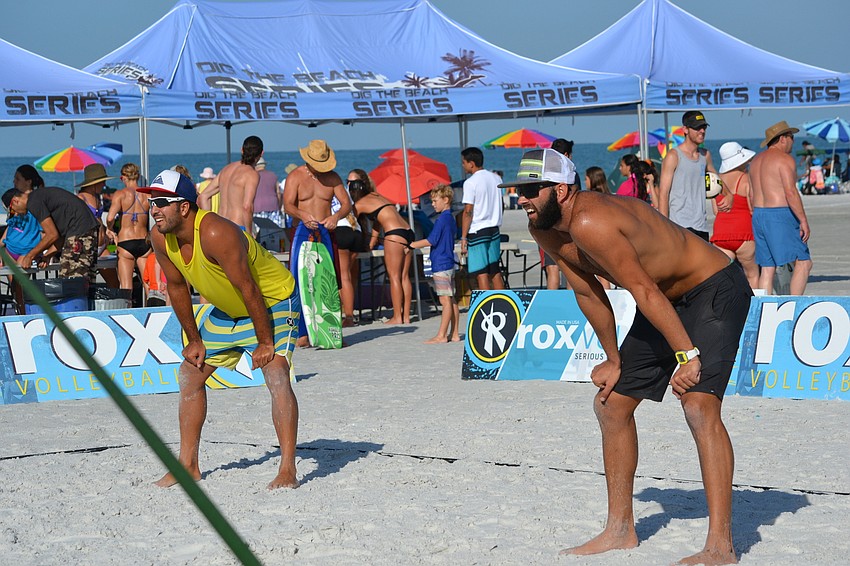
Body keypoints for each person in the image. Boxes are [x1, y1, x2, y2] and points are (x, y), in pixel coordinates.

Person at [503, 148, 751, 565]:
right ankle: (620, 530)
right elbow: (587, 292)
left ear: (561, 190)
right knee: (612, 405)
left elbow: (643, 291)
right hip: (664, 302)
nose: (522, 199)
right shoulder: (544, 228)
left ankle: (720, 547)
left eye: (531, 190)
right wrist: (613, 358)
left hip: (713, 289)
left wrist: (686, 354)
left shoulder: (590, 221)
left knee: (697, 406)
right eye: (518, 191)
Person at [140, 169, 301, 490]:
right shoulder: (160, 236)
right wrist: (194, 339)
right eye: (150, 203)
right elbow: (176, 287)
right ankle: (188, 466)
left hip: (273, 300)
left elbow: (249, 288)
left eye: (160, 202)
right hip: (230, 308)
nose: (153, 209)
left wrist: (265, 342)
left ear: (184, 207)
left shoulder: (215, 233)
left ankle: (287, 469)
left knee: (276, 372)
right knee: (190, 373)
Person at [284, 140, 352, 345]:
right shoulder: (295, 176)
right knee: (300, 281)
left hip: (326, 230)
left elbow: (346, 203)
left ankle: (331, 329)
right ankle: (302, 332)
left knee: (329, 280)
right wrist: (301, 214)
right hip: (302, 230)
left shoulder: (333, 178)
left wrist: (336, 216)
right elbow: (287, 205)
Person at [749, 121, 813, 295]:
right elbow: (790, 192)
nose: (793, 141)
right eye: (792, 137)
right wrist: (803, 220)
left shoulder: (755, 161)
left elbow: (751, 196)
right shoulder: (784, 159)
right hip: (779, 214)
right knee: (804, 262)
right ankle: (794, 307)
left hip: (759, 214)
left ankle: (765, 310)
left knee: (768, 267)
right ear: (783, 139)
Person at [349, 178, 413, 325]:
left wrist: (363, 241)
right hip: (408, 231)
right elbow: (379, 220)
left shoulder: (359, 204)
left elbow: (351, 224)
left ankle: (397, 316)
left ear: (353, 192)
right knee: (404, 277)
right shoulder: (377, 196)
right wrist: (372, 242)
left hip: (394, 234)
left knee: (394, 277)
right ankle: (406, 316)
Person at [659, 111, 729, 240]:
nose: (702, 131)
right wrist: (664, 227)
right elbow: (663, 193)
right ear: (685, 129)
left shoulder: (705, 155)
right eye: (697, 128)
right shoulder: (673, 156)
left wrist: (729, 195)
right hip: (679, 225)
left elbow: (716, 178)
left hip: (702, 226)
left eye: (704, 127)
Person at [13, 185, 100, 281]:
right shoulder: (41, 196)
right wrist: (47, 256)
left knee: (70, 281)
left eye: (12, 210)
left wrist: (29, 256)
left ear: (15, 201)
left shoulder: (33, 202)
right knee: (86, 282)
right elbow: (60, 238)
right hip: (88, 231)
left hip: (79, 233)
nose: (16, 214)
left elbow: (52, 235)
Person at [408, 184, 460, 343]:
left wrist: (412, 245)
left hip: (441, 264)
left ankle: (442, 335)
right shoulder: (450, 218)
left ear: (446, 200)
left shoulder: (441, 220)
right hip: (449, 262)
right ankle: (455, 334)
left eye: (435, 200)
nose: (432, 204)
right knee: (451, 299)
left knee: (444, 300)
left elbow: (432, 240)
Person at [711, 142, 759, 289]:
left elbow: (715, 210)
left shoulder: (716, 179)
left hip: (721, 233)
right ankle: (753, 310)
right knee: (752, 274)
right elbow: (753, 208)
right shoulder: (746, 179)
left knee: (723, 278)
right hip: (743, 233)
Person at [460, 147, 504, 290]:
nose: (463, 165)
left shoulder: (470, 182)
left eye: (463, 162)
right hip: (494, 229)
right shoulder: (497, 178)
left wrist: (463, 237)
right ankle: (504, 303)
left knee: (481, 272)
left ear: (471, 163)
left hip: (478, 230)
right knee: (495, 270)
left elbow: (468, 211)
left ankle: (487, 305)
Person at [106, 163, 151, 301]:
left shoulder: (120, 194)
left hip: (126, 242)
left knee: (126, 287)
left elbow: (110, 217)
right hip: (144, 242)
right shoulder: (147, 194)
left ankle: (128, 316)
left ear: (123, 177)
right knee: (148, 285)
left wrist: (110, 229)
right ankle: (155, 312)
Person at [197, 135, 263, 229]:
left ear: (242, 150)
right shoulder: (252, 174)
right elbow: (247, 207)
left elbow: (203, 196)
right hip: (237, 227)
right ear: (261, 153)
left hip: (220, 225)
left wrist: (209, 224)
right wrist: (249, 234)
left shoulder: (226, 169)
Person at [76, 163, 120, 287]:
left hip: (102, 246)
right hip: (88, 248)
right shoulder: (81, 198)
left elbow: (99, 220)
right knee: (86, 284)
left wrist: (108, 231)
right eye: (102, 182)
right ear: (94, 183)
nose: (105, 185)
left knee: (114, 283)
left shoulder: (96, 198)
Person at [338, 170, 370, 327]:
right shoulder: (355, 195)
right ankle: (348, 314)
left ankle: (347, 316)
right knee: (349, 275)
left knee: (342, 276)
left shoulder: (334, 191)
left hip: (341, 230)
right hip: (356, 231)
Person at [1, 189, 43, 264]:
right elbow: (10, 229)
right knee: (10, 274)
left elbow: (44, 233)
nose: (14, 212)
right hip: (10, 248)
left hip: (27, 251)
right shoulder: (13, 212)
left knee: (19, 275)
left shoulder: (33, 211)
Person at [253, 157, 283, 228]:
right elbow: (278, 193)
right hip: (273, 207)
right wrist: (278, 206)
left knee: (259, 233)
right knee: (275, 232)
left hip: (257, 208)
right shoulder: (273, 175)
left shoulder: (253, 176)